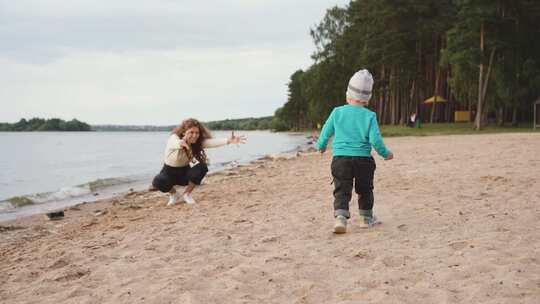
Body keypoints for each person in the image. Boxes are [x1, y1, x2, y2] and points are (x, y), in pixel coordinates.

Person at [316, 69, 393, 234]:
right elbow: (375, 140)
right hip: (363, 160)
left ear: (347, 94)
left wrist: (321, 145)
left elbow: (326, 131)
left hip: (340, 159)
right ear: (367, 98)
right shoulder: (370, 116)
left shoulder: (337, 112)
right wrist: (385, 153)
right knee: (365, 189)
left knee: (342, 189)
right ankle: (366, 218)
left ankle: (340, 219)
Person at [151, 118, 246, 206]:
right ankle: (174, 194)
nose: (195, 135)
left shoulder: (196, 143)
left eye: (197, 132)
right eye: (191, 132)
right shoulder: (174, 137)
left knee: (202, 167)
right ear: (184, 132)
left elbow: (212, 142)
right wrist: (181, 143)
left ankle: (187, 194)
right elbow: (174, 142)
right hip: (169, 171)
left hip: (184, 172)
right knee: (158, 181)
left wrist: (228, 140)